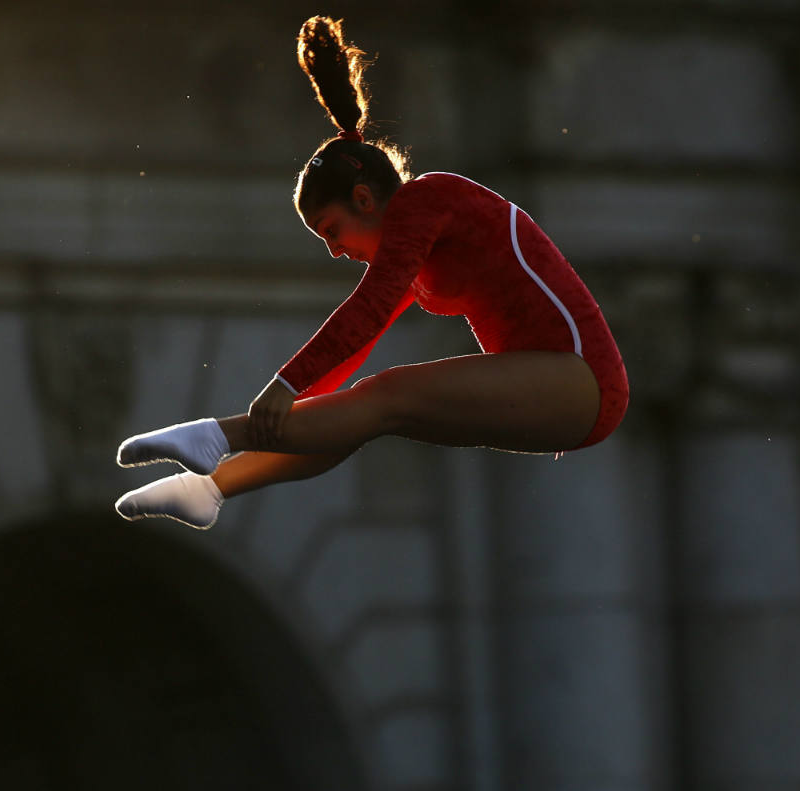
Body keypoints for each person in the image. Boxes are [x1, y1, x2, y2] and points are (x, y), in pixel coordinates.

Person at [115, 16, 628, 529]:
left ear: (363, 198)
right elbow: (363, 340)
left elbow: (369, 307)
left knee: (384, 396)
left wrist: (283, 387)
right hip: (559, 393)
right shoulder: (418, 242)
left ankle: (217, 436)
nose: (336, 251)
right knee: (359, 415)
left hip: (581, 379)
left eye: (332, 230)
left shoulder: (428, 201)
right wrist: (299, 407)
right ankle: (210, 489)